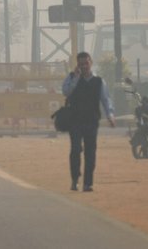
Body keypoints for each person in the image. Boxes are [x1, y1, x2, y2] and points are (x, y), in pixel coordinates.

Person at [59, 51, 115, 192]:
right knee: (76, 149)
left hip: (91, 120)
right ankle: (75, 179)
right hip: (75, 120)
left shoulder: (99, 81)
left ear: (91, 63)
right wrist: (76, 78)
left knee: (90, 152)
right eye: (81, 64)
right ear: (77, 65)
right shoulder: (72, 78)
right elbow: (66, 92)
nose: (84, 66)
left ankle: (88, 183)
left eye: (86, 63)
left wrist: (110, 115)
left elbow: (105, 99)